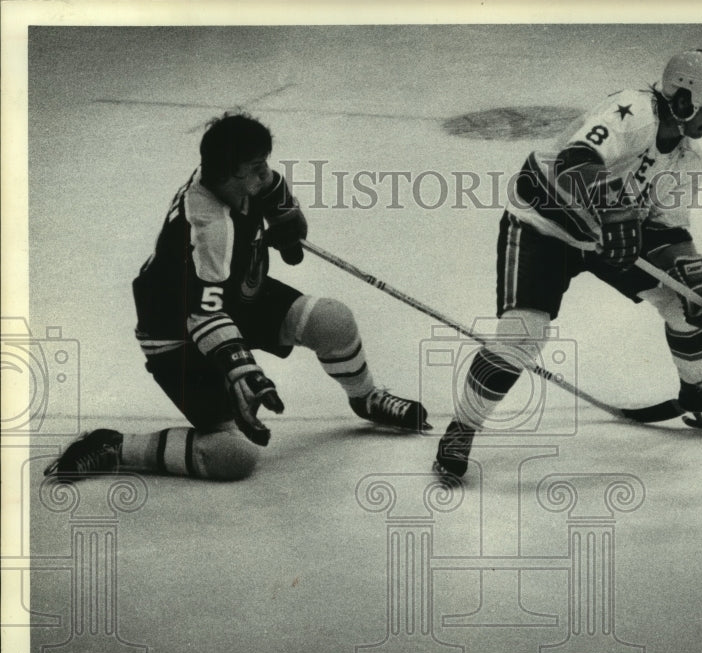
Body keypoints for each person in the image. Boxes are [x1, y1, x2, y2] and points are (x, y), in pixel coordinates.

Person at [46, 112, 429, 482]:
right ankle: (115, 446)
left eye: (264, 163)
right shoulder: (210, 228)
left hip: (231, 298)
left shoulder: (239, 181)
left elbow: (277, 198)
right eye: (256, 167)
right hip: (177, 332)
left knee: (333, 320)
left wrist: (288, 225)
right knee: (232, 456)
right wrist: (242, 367)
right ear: (228, 175)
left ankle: (366, 398)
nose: (266, 173)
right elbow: (203, 316)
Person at [434, 49, 702, 481]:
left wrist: (700, 281)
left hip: (606, 237)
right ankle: (462, 428)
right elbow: (575, 160)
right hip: (543, 224)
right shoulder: (633, 111)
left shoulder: (687, 160)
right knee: (522, 334)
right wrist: (615, 210)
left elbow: (669, 233)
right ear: (685, 98)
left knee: (686, 303)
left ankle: (699, 389)